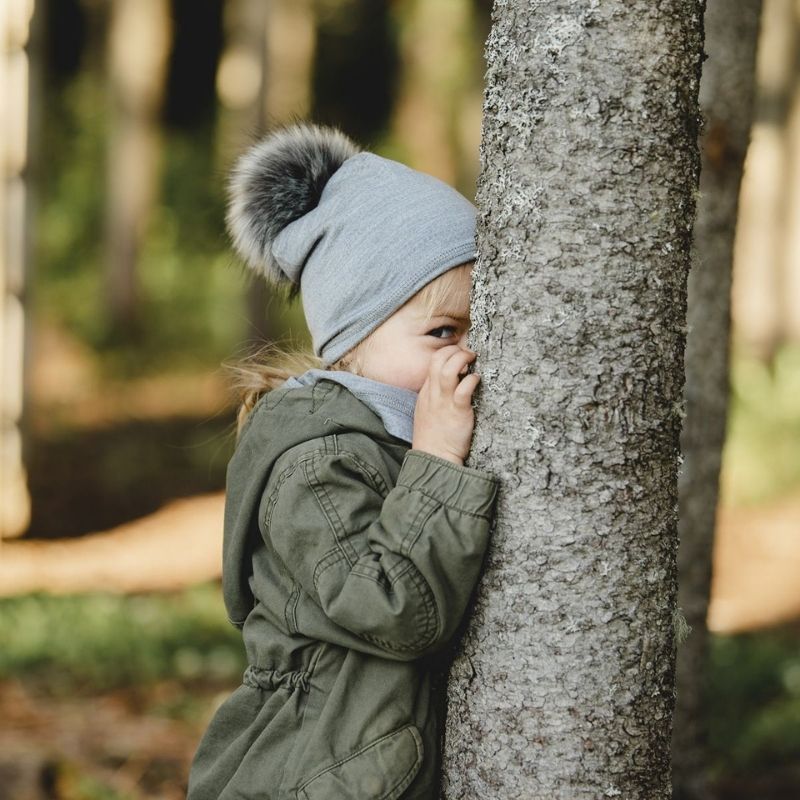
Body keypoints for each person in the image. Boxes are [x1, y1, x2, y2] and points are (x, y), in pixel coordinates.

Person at [186, 122, 499, 800]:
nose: (467, 353)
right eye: (442, 331)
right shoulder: (318, 460)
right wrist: (438, 459)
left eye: (481, 327)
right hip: (311, 773)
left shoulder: (392, 426)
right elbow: (392, 612)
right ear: (353, 340)